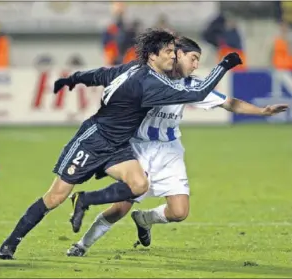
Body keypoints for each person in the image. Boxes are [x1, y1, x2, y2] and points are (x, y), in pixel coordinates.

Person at [0, 29, 241, 260]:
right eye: (168, 51)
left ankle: (85, 200)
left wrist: (72, 79)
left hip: (118, 146)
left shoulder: (134, 69)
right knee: (55, 196)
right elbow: (197, 95)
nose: (174, 55)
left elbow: (101, 74)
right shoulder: (148, 83)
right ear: (153, 55)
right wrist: (223, 65)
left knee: (138, 184)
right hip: (92, 141)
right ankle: (10, 243)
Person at [65, 37, 288, 256]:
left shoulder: (191, 86)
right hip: (137, 150)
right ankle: (82, 244)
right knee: (120, 208)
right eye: (193, 58)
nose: (196, 65)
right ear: (178, 55)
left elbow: (229, 103)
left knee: (179, 212)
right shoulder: (145, 79)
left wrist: (263, 111)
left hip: (169, 151)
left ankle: (144, 219)